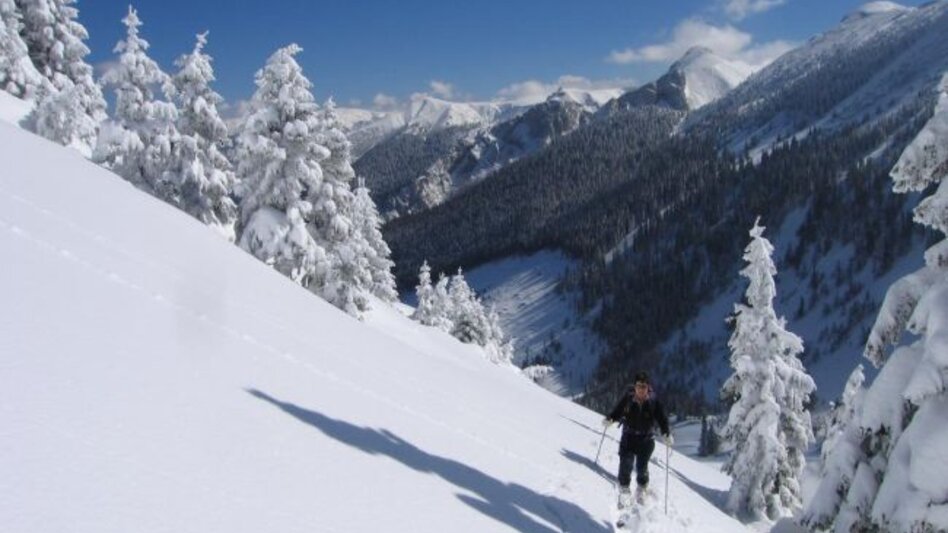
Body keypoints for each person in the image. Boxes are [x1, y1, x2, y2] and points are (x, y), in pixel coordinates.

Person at [602, 371, 672, 501]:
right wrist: (610, 419)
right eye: (639, 386)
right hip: (629, 436)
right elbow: (618, 410)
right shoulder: (628, 398)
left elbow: (662, 418)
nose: (641, 389)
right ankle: (624, 489)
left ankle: (642, 487)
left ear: (648, 387)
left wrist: (666, 433)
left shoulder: (653, 401)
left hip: (646, 439)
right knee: (626, 463)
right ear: (635, 386)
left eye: (644, 386)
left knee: (641, 467)